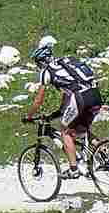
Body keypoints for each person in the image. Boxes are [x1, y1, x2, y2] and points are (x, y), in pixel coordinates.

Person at [20, 35, 104, 178]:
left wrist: (29, 116)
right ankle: (107, 159)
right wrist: (60, 111)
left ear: (40, 62)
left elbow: (38, 100)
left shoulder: (46, 71)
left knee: (65, 132)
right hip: (95, 93)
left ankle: (73, 169)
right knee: (84, 129)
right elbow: (68, 90)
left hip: (80, 97)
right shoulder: (66, 62)